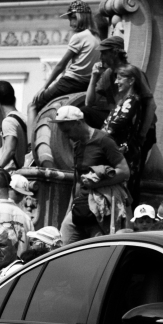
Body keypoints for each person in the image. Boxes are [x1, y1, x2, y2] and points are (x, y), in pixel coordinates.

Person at [55, 104, 130, 242]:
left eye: (67, 131)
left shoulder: (104, 140)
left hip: (100, 207)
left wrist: (96, 184)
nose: (66, 136)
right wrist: (70, 210)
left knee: (98, 247)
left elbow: (124, 171)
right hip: (80, 205)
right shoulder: (78, 145)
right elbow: (77, 181)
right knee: (65, 239)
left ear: (78, 123)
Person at [96, 63, 153, 201]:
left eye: (120, 78)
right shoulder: (124, 101)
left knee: (122, 197)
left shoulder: (133, 101)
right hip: (117, 154)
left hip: (126, 156)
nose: (116, 82)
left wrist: (95, 137)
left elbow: (113, 126)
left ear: (131, 80)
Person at [31, 0, 101, 111]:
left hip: (69, 82)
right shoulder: (97, 38)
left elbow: (61, 65)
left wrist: (44, 87)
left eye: (72, 18)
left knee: (33, 105)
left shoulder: (79, 37)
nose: (70, 24)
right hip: (86, 85)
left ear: (80, 17)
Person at [0, 81, 29, 171]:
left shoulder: (8, 121)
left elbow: (10, 150)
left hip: (11, 173)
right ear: (14, 99)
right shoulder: (25, 118)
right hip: (23, 171)